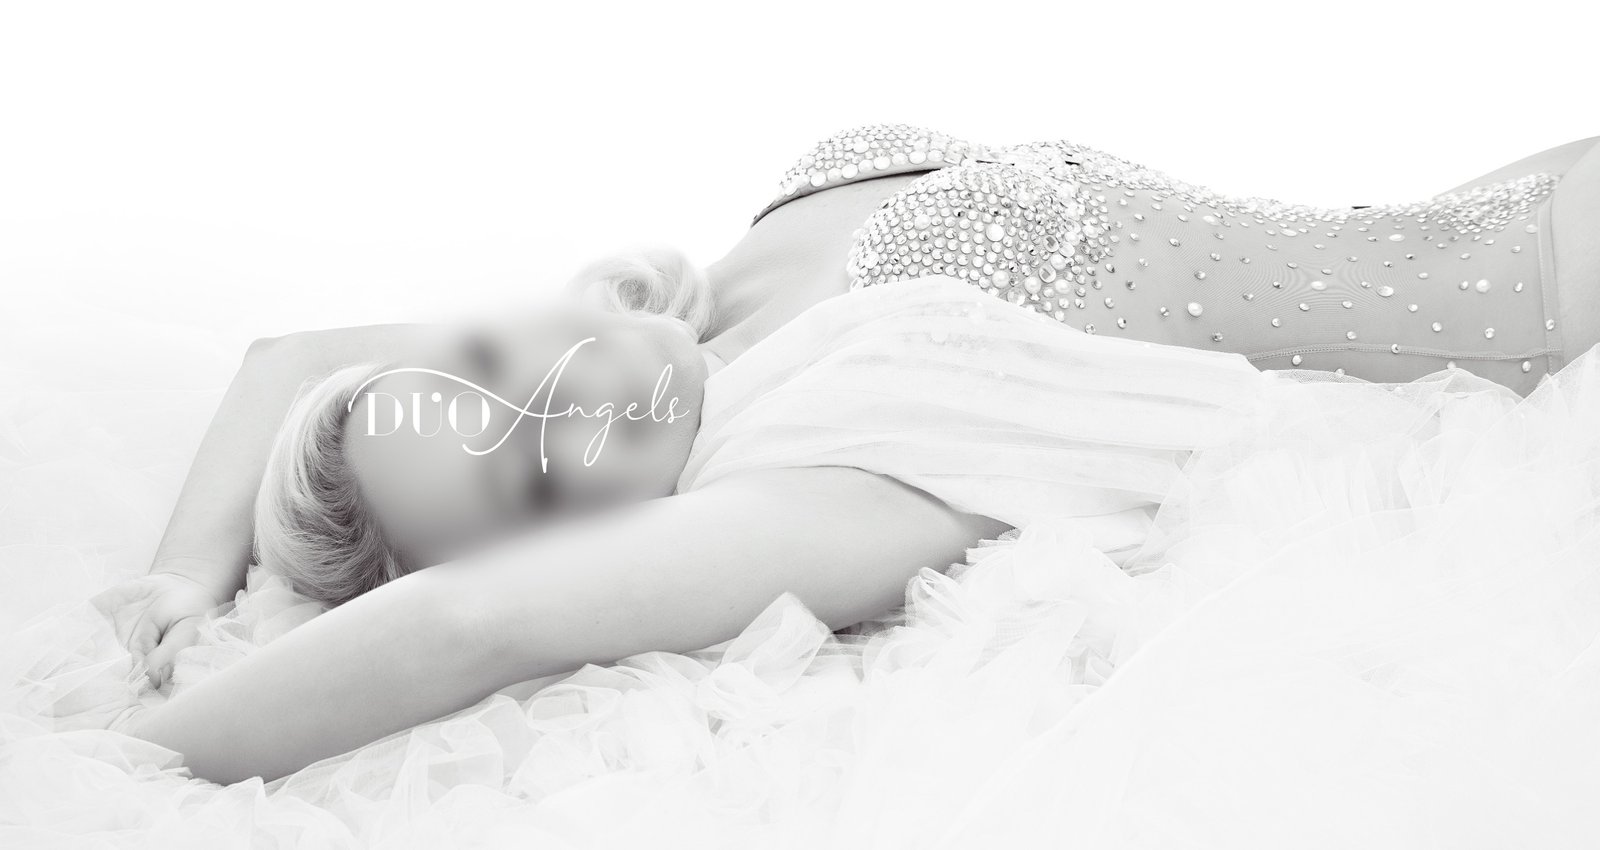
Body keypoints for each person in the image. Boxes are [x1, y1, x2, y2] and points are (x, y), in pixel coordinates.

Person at [90, 125, 1600, 784]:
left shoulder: (691, 309)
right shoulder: (814, 463)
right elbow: (467, 620)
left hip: (1496, 198)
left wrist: (181, 577)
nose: (565, 395)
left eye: (489, 371)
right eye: (536, 473)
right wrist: (92, 777)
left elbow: (286, 359)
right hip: (1547, 308)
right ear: (581, 542)